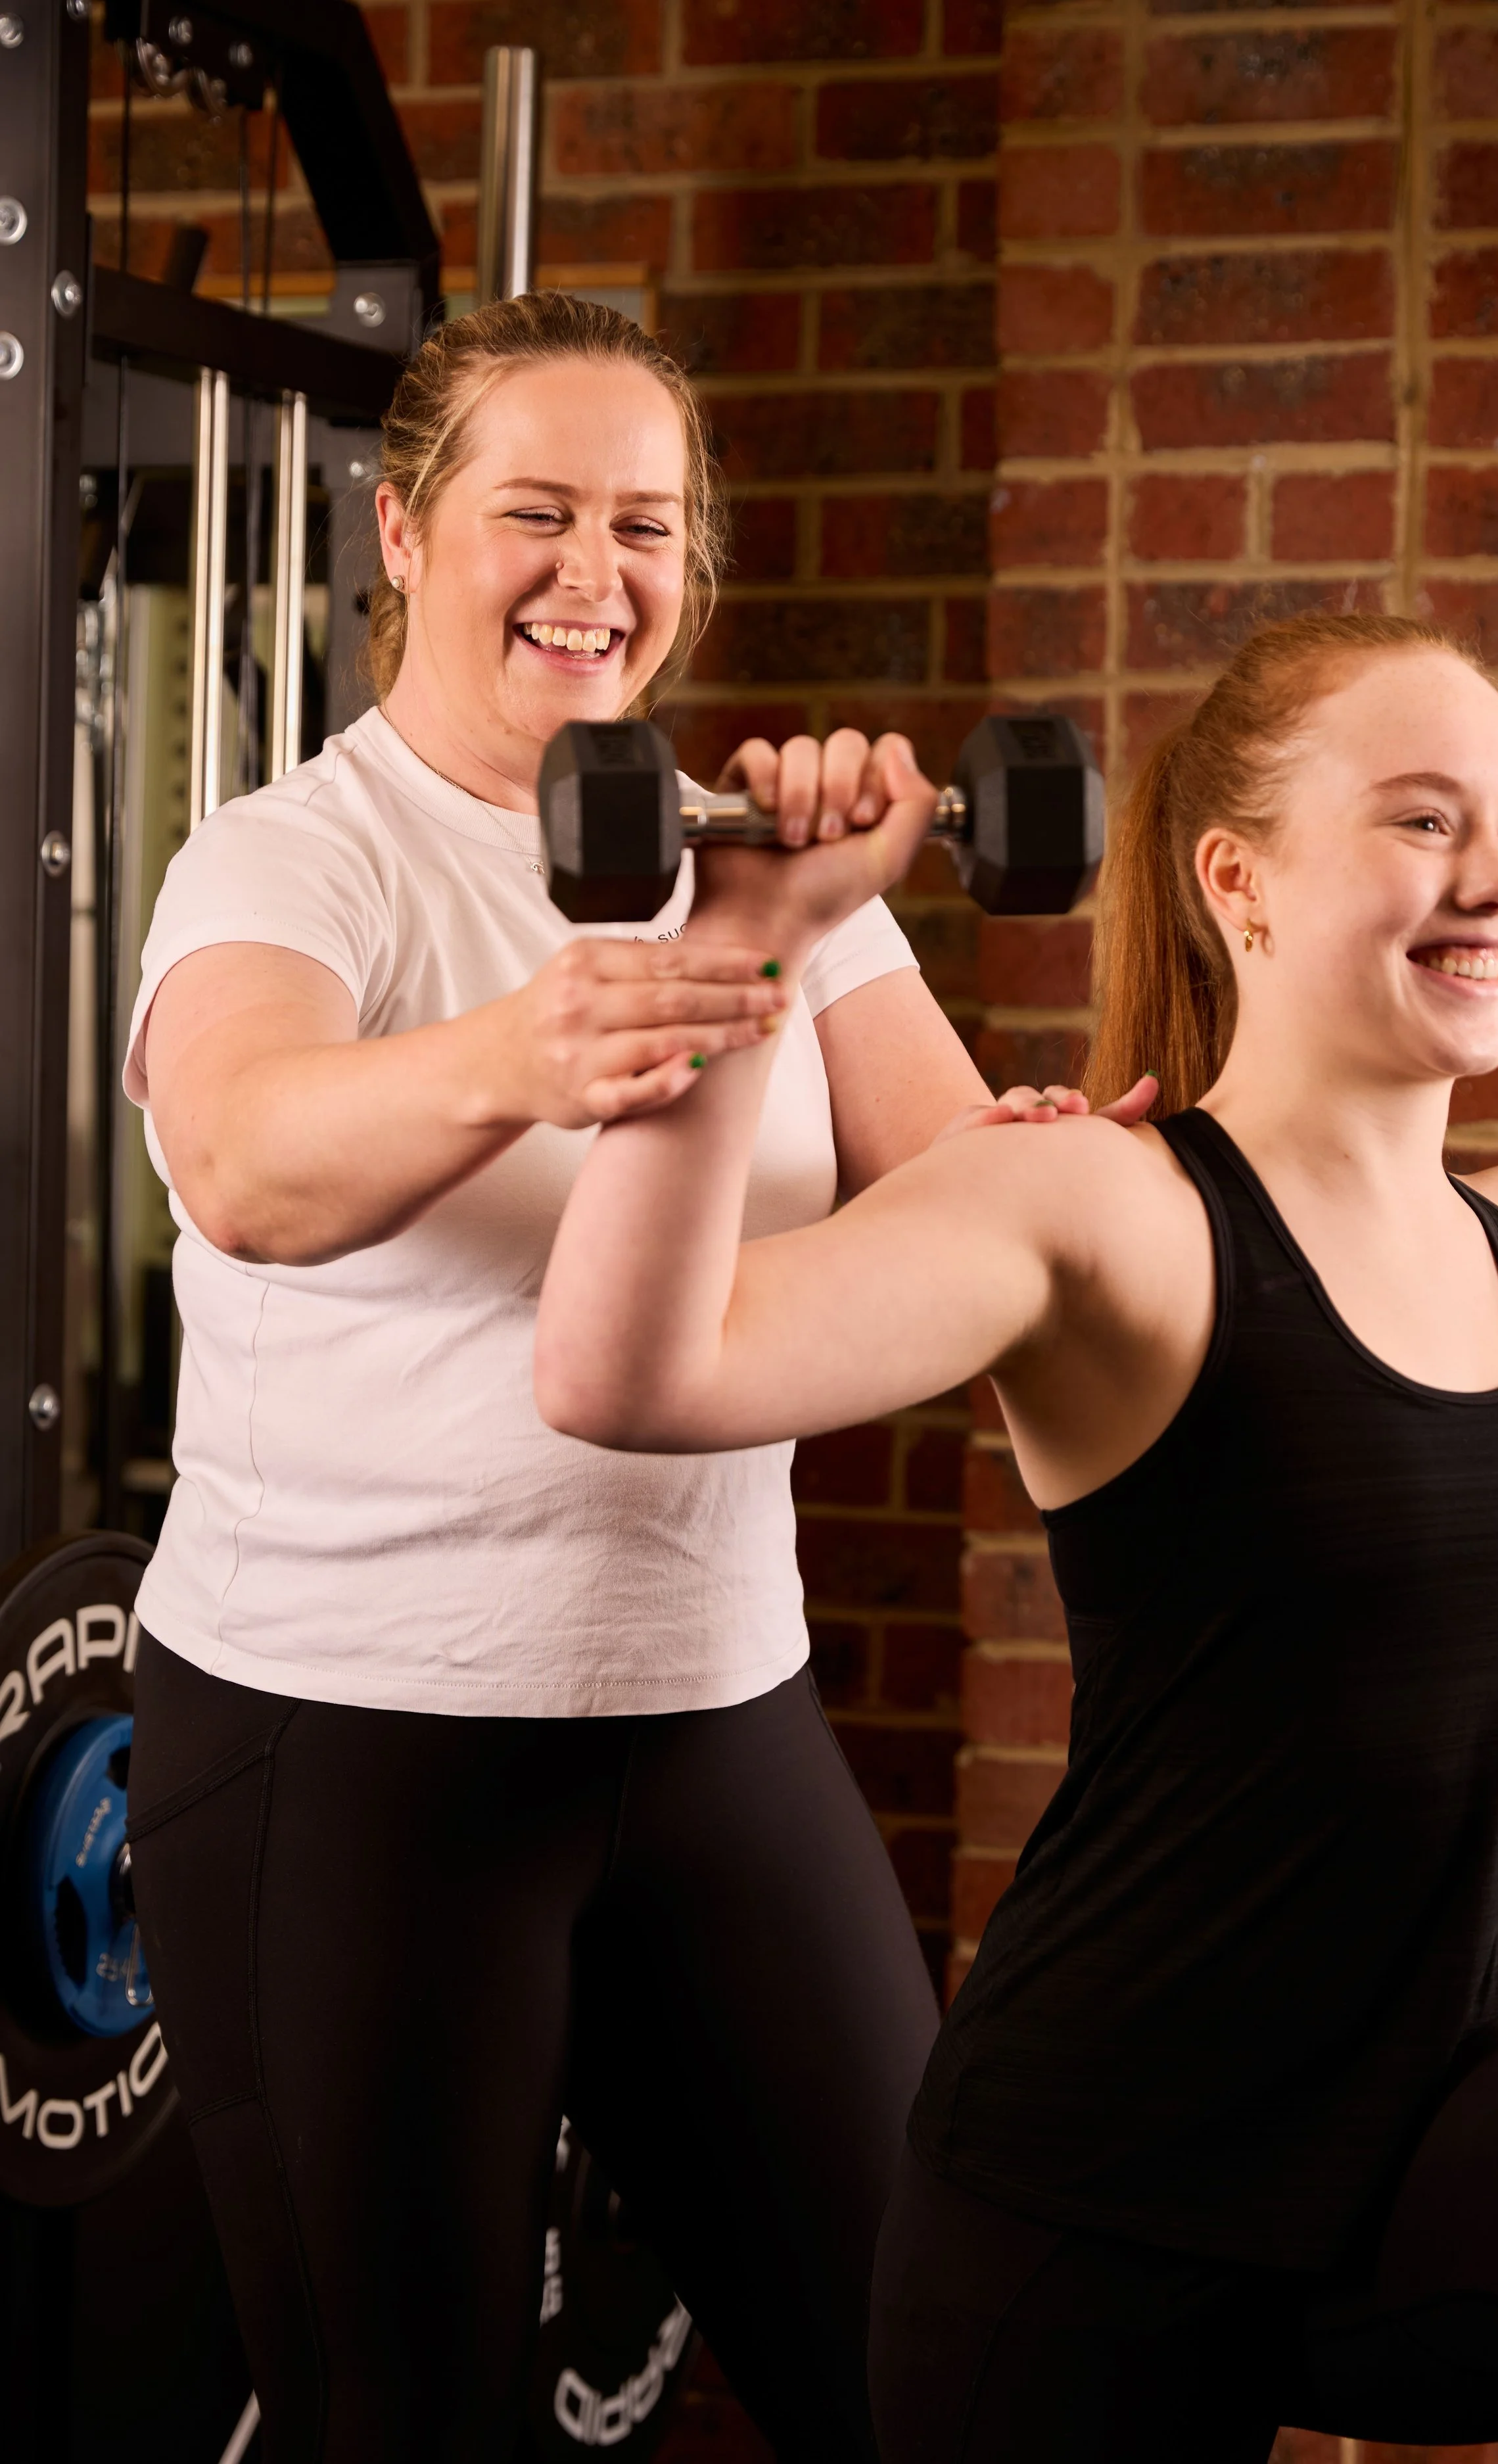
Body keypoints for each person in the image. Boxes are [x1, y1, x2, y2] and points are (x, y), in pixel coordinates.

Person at [123, 289, 1140, 2464]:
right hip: (348, 1738)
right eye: (541, 513)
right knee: (398, 2423)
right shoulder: (301, 856)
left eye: (650, 527)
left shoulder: (770, 863)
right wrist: (543, 1039)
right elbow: (242, 1159)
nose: (600, 577)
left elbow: (961, 1205)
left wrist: (1117, 1176)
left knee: (920, 2377)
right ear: (402, 532)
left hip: (709, 1720)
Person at [535, 608, 1498, 2463]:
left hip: (1406, 2151)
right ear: (1241, 881)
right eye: (1423, 821)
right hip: (1092, 2213)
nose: (1495, 881)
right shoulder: (1100, 1209)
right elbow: (626, 1367)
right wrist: (747, 945)